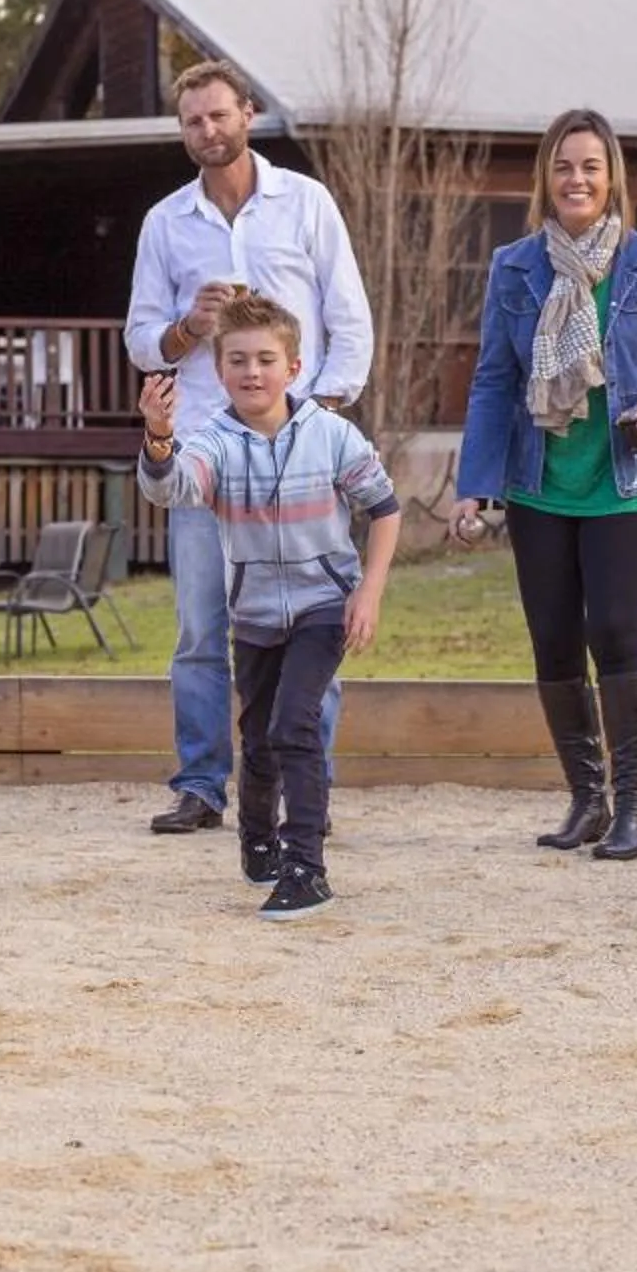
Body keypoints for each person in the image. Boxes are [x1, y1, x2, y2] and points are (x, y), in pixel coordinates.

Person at [126, 58, 374, 835]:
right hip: (207, 453)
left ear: (249, 114)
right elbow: (142, 344)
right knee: (203, 629)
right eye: (193, 121)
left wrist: (322, 418)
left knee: (309, 622)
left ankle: (310, 784)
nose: (208, 130)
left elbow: (350, 321)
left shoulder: (305, 203)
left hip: (299, 457)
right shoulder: (166, 224)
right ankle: (202, 784)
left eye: (219, 115)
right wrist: (190, 327)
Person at [451, 108, 637, 860]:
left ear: (611, 175)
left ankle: (634, 809)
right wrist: (477, 482)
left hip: (627, 483)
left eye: (591, 166)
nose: (577, 179)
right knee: (554, 643)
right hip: (539, 484)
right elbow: (495, 380)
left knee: (615, 634)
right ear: (546, 178)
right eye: (564, 166)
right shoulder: (515, 267)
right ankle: (586, 800)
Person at [136, 292, 400, 919]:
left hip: (322, 605)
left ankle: (306, 866)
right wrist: (159, 437)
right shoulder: (216, 442)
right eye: (237, 361)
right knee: (257, 737)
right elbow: (174, 488)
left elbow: (385, 510)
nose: (252, 371)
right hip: (253, 613)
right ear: (219, 371)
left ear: (294, 367)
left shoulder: (332, 436)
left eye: (264, 359)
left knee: (293, 725)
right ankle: (257, 839)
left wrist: (369, 591)